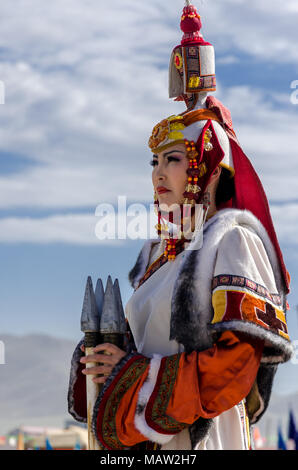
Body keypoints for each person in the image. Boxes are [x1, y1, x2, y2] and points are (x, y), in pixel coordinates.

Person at [68, 1, 293, 450]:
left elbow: (236, 364)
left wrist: (132, 378)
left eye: (173, 159)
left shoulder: (232, 239)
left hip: (203, 437)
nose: (157, 174)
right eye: (154, 161)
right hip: (152, 441)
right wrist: (106, 356)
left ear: (207, 169)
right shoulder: (158, 253)